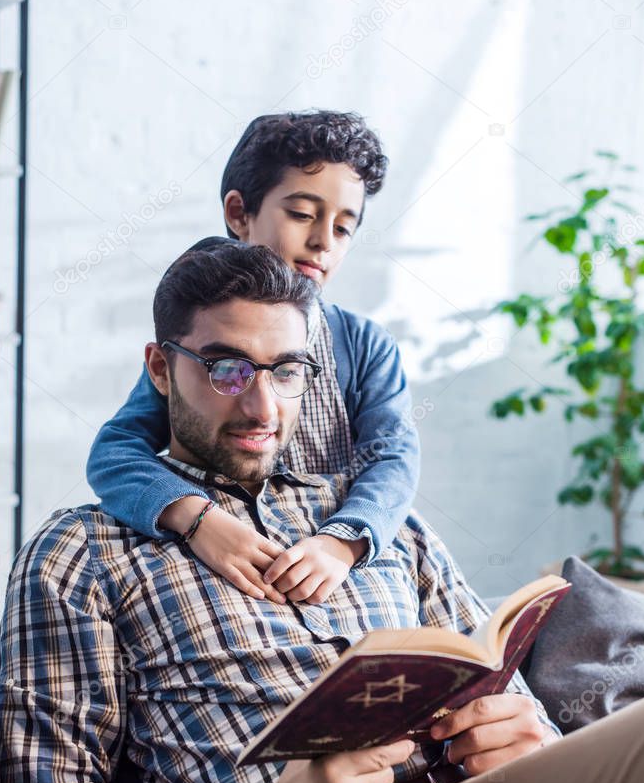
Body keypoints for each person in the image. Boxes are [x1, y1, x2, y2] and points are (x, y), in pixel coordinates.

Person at [0, 243, 644, 783]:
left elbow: (501, 690)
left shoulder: (382, 528)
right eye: (226, 368)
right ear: (158, 367)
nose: (262, 408)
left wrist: (529, 740)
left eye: (285, 371)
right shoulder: (83, 553)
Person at [86, 109, 421, 607]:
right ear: (239, 213)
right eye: (303, 214)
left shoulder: (363, 345)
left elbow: (392, 458)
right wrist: (200, 520)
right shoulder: (198, 338)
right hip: (229, 573)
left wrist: (342, 542)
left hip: (327, 565)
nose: (323, 241)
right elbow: (115, 453)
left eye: (344, 227)